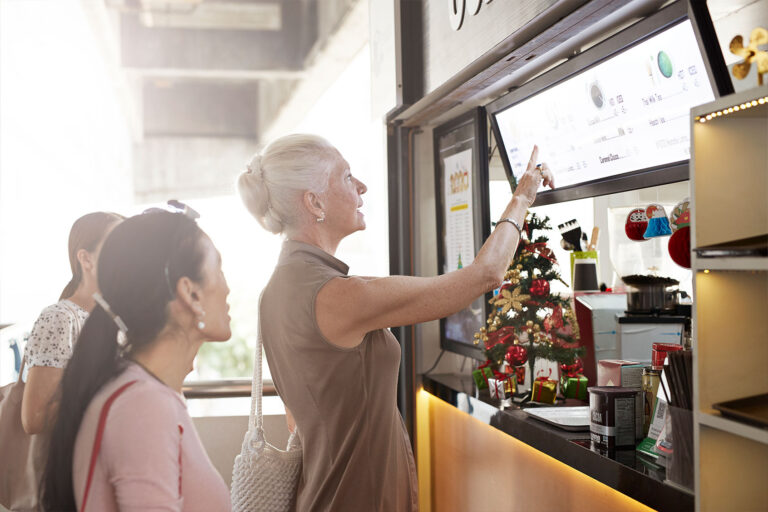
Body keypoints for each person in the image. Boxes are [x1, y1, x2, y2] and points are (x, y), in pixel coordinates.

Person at [237, 134, 554, 511]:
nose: (361, 187)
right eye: (346, 177)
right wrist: (522, 198)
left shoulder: (277, 290)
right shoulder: (336, 296)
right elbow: (483, 275)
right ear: (314, 202)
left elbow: (299, 418)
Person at [40, 208, 232, 511]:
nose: (227, 286)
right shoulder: (143, 405)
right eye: (219, 270)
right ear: (190, 293)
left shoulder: (147, 393)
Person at [22, 211, 124, 435]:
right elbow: (34, 419)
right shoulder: (60, 318)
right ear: (86, 259)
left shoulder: (117, 319)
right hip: (73, 463)